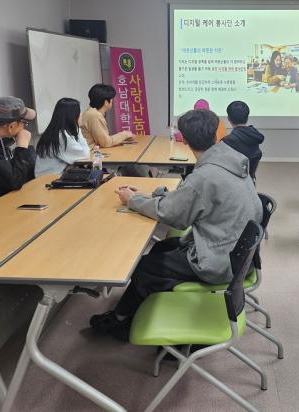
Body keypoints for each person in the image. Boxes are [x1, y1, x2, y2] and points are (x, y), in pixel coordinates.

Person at [88, 109, 262, 340]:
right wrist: (151, 195)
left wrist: (133, 200)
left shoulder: (204, 176)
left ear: (185, 141)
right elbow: (189, 200)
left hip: (218, 260)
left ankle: (121, 320)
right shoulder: (230, 158)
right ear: (216, 134)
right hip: (234, 251)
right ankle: (147, 305)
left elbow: (173, 215)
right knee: (162, 248)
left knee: (145, 267)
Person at [35, 97, 91, 176]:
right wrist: (77, 127)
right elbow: (85, 154)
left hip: (52, 176)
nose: (81, 115)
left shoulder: (57, 132)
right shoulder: (61, 137)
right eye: (79, 112)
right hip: (47, 180)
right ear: (72, 116)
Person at [80, 83, 134, 148]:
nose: (112, 102)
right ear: (106, 102)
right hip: (92, 152)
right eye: (111, 100)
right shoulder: (94, 115)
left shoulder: (91, 112)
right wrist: (125, 134)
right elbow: (105, 143)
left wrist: (121, 138)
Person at [222, 100, 264, 180]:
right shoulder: (255, 137)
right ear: (247, 117)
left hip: (231, 182)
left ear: (228, 118)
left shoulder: (226, 142)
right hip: (250, 182)